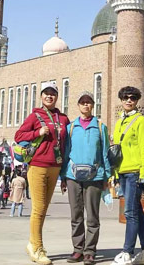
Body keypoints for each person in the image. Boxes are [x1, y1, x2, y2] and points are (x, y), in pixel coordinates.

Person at [15, 81, 70, 265]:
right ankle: (37, 248)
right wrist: (38, 132)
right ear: (41, 96)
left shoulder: (63, 118)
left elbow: (65, 146)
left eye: (52, 93)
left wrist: (64, 174)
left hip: (55, 167)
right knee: (38, 209)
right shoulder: (35, 115)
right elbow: (19, 136)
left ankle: (32, 244)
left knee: (43, 210)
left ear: (57, 96)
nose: (49, 96)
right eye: (46, 93)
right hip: (37, 165)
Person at [60, 91, 111, 265]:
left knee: (92, 217)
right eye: (83, 102)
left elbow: (104, 153)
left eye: (89, 102)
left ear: (93, 105)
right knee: (76, 214)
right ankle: (77, 249)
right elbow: (66, 152)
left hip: (95, 176)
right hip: (73, 175)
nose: (86, 105)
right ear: (78, 105)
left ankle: (90, 251)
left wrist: (107, 176)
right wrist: (63, 176)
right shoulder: (71, 127)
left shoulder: (101, 126)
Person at [112, 86, 144, 265]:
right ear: (121, 100)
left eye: (133, 98)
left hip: (134, 172)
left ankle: (127, 252)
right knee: (137, 212)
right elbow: (116, 149)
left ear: (137, 100)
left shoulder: (141, 120)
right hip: (122, 171)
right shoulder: (119, 120)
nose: (129, 100)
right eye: (125, 97)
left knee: (130, 213)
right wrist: (114, 172)